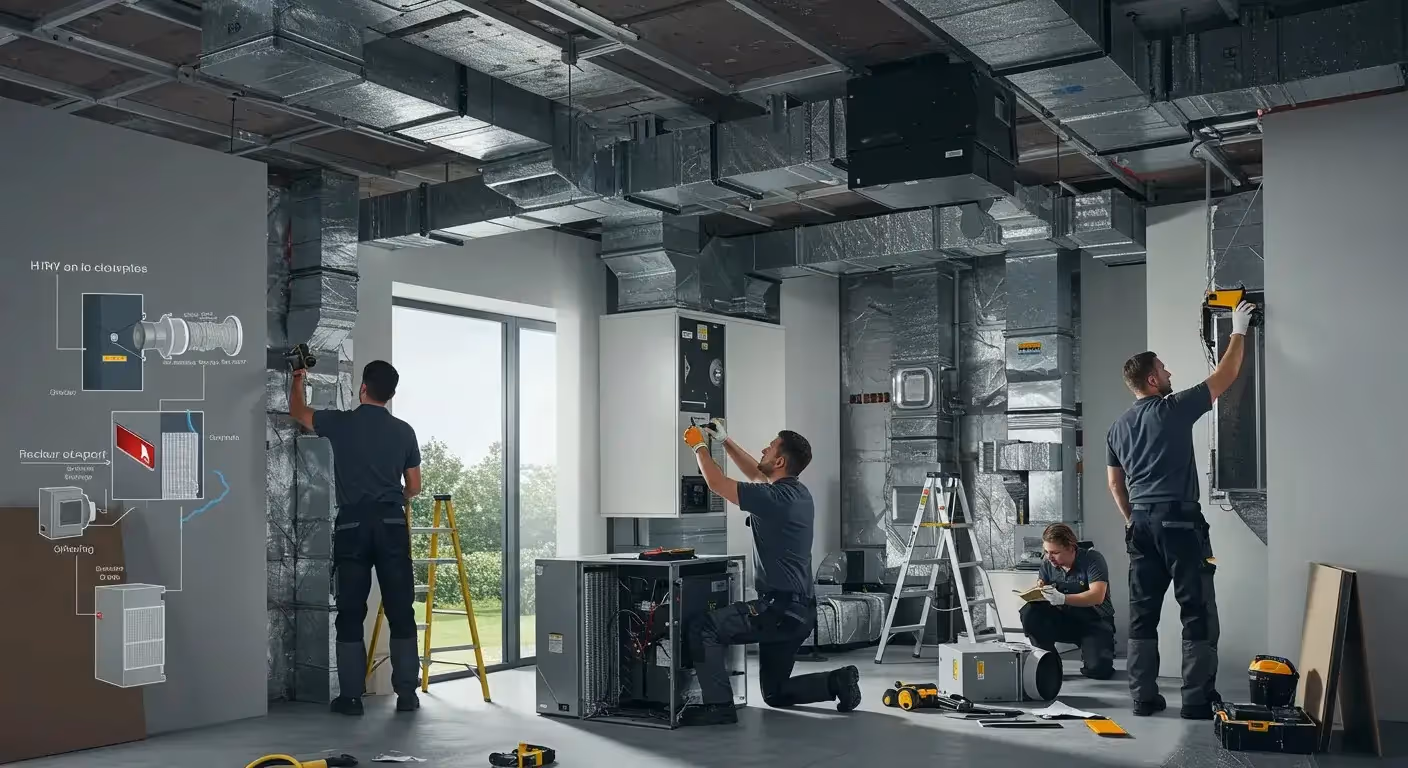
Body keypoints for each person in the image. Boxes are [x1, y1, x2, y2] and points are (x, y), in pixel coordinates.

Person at [1106, 300, 1255, 720]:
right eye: (1166, 370)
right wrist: (1239, 330)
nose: (1171, 374)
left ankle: (1143, 699)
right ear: (1153, 379)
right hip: (1180, 522)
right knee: (1197, 609)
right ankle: (1195, 700)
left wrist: (1132, 519)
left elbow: (1114, 484)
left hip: (1141, 526)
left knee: (1142, 615)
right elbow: (1224, 376)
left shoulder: (1118, 427)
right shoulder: (1172, 409)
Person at [677, 419, 862, 726]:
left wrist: (698, 445)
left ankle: (719, 706)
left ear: (779, 460)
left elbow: (717, 484)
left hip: (778, 610)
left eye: (770, 446)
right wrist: (725, 441)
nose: (763, 449)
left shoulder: (774, 498)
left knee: (703, 628)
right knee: (774, 692)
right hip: (800, 612)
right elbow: (755, 472)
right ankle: (837, 682)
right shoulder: (795, 493)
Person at [290, 360, 423, 716]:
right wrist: (394, 499)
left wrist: (298, 378)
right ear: (391, 394)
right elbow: (414, 486)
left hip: (353, 526)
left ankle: (351, 697)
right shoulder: (404, 431)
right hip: (393, 523)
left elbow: (299, 412)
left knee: (350, 611)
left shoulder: (341, 423)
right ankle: (407, 694)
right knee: (401, 610)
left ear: (363, 388)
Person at [1018, 523, 1116, 680]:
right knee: (1030, 611)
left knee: (1099, 671)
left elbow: (1097, 596)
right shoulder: (1047, 564)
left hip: (1094, 621)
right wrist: (1041, 591)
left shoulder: (1093, 559)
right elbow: (1042, 587)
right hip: (1064, 619)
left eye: (1055, 553)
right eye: (1046, 552)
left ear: (1071, 548)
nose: (1050, 558)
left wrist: (1063, 598)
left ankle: (1097, 651)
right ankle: (1049, 662)